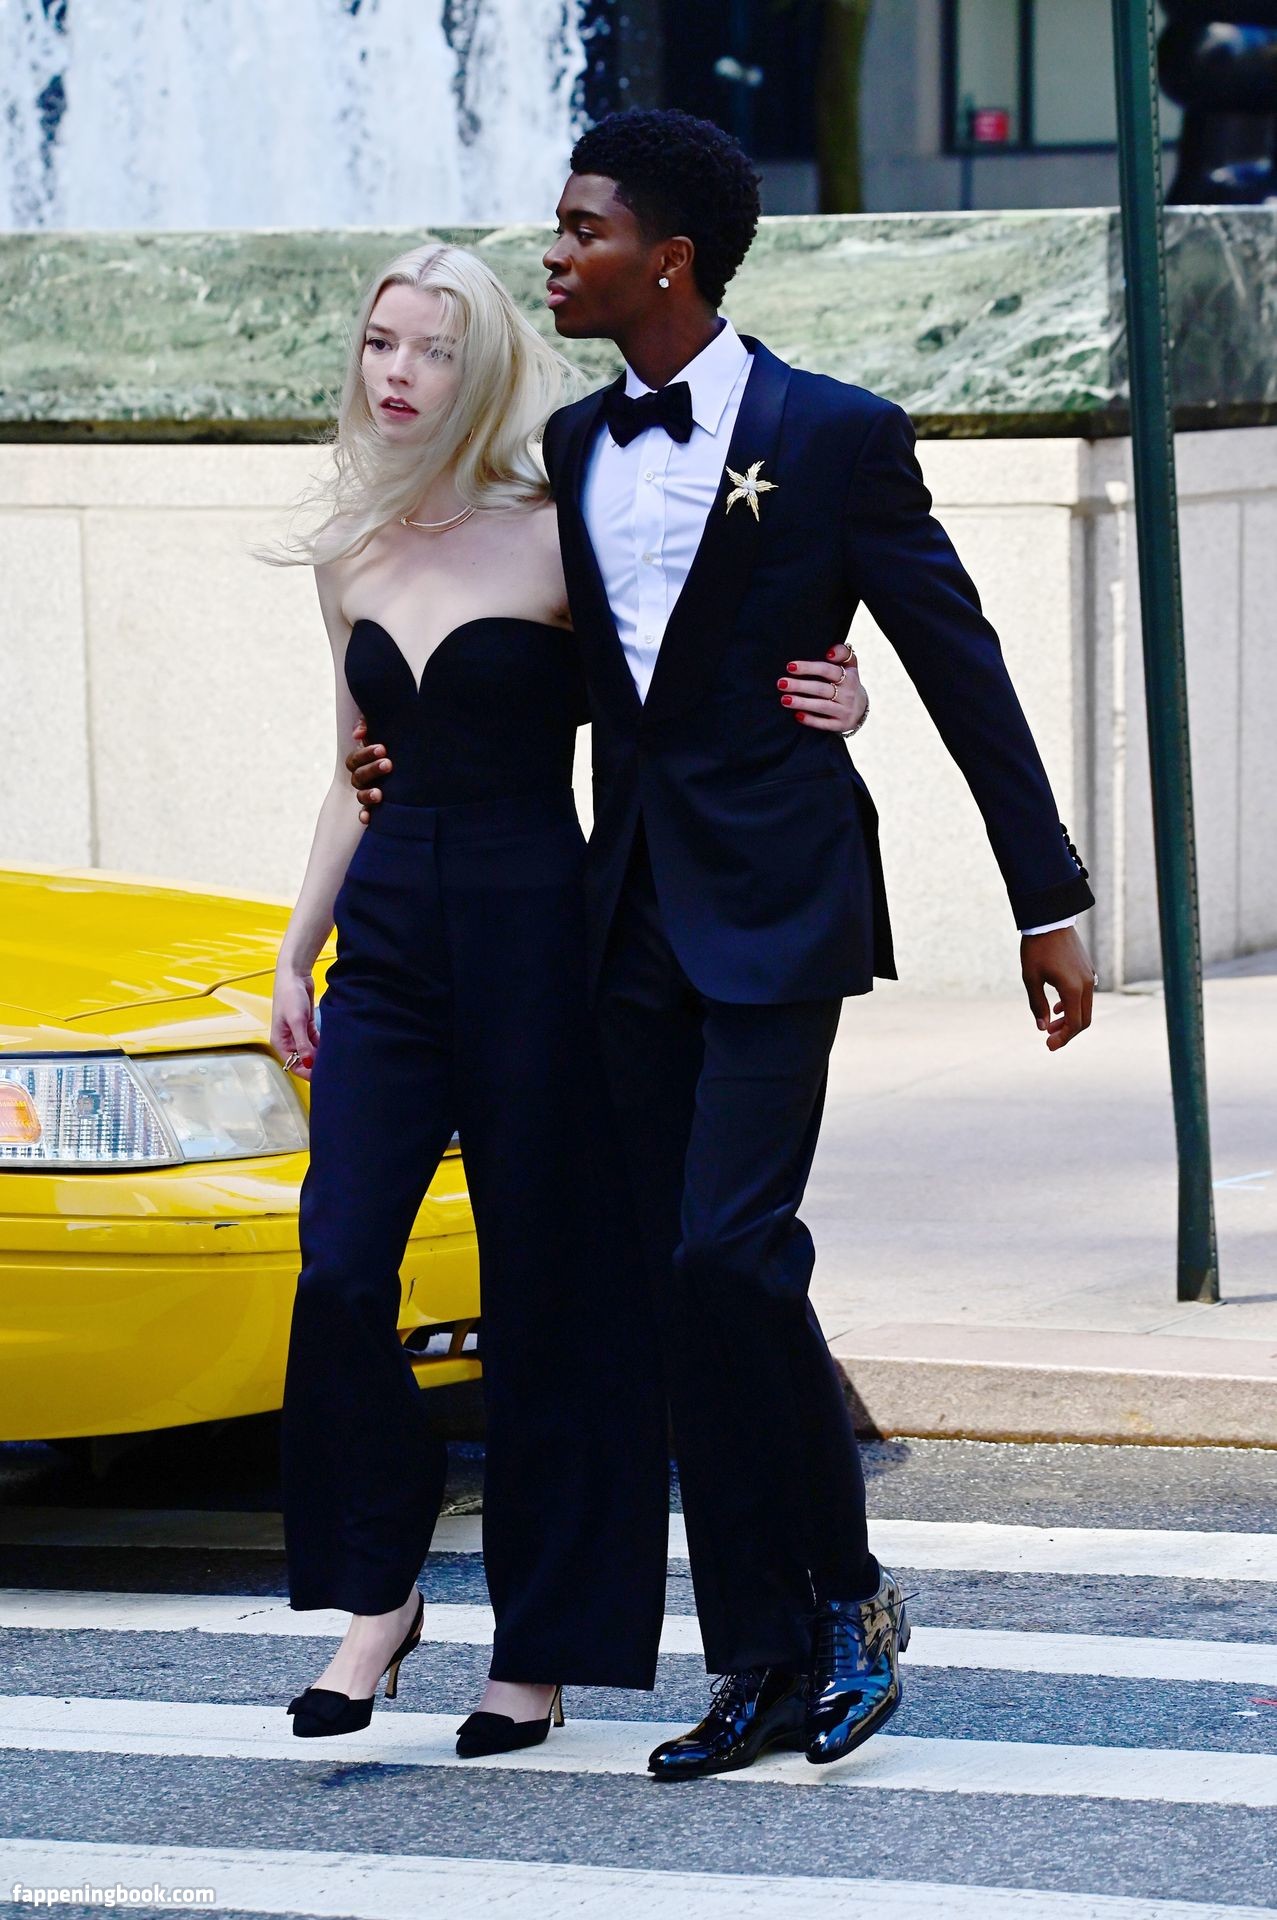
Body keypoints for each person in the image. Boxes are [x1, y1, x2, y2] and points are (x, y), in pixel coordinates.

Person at [352, 110, 1096, 1783]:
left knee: (727, 1256)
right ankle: (756, 1662)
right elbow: (548, 661)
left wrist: (1043, 901)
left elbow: (959, 661)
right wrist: (401, 743)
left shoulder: (836, 437)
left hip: (778, 905)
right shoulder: (574, 446)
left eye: (582, 229)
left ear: (667, 258)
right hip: (623, 922)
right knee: (677, 1295)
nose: (554, 255)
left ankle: (846, 1595)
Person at [271, 235, 846, 1753]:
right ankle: (379, 1591)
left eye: (433, 347)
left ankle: (537, 1645)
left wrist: (835, 694)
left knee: (547, 1299)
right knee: (339, 1271)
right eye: (381, 342)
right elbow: (350, 771)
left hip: (542, 935)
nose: (399, 373)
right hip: (389, 950)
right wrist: (291, 946)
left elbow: (693, 685)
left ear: (485, 367)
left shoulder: (555, 533)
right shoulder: (350, 552)